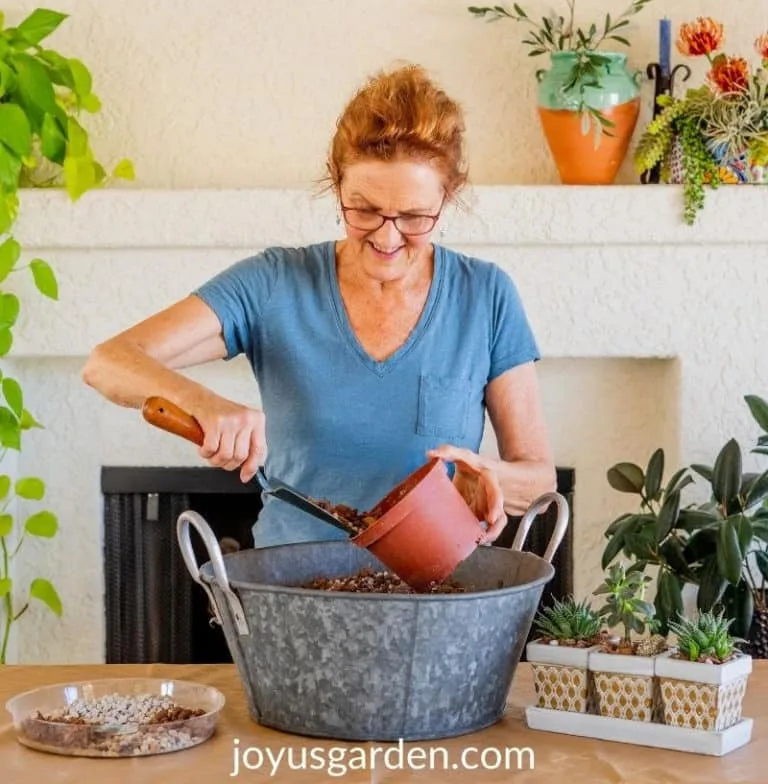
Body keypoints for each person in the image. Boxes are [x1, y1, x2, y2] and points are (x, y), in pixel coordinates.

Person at [82, 64, 556, 547]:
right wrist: (203, 402)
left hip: (436, 600)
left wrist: (492, 477)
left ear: (446, 199)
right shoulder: (274, 283)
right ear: (336, 185)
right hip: (294, 593)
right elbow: (107, 363)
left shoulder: (486, 295)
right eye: (364, 209)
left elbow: (539, 479)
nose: (387, 237)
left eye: (414, 217)